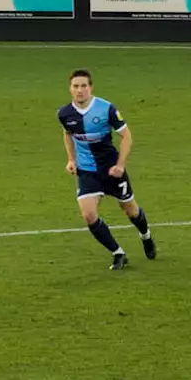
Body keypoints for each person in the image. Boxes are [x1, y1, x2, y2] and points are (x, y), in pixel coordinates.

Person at [59, 69, 155, 270]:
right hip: (87, 170)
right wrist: (71, 160)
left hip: (111, 169)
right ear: (70, 89)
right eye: (76, 86)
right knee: (88, 215)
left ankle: (145, 235)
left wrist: (120, 165)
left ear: (90, 88)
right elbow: (67, 134)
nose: (80, 90)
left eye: (84, 86)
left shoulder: (106, 109)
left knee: (130, 210)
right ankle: (118, 253)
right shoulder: (64, 113)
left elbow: (127, 136)